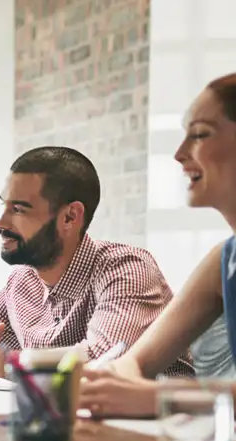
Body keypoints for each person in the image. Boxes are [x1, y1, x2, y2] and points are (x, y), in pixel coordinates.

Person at [0, 146, 193, 379]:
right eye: (4, 206)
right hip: (64, 432)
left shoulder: (127, 268)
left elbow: (102, 360)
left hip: (158, 434)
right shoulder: (22, 282)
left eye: (19, 209)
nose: (1, 223)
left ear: (70, 217)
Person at [80, 73, 236, 417]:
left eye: (200, 135)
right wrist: (117, 384)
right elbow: (132, 362)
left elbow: (150, 390)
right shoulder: (223, 261)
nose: (180, 154)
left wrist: (160, 398)